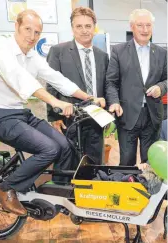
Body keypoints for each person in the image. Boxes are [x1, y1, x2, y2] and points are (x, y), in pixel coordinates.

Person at [0, 9, 104, 216]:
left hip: (19, 113)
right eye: (28, 29)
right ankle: (4, 188)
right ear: (16, 27)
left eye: (37, 32)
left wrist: (88, 98)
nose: (32, 36)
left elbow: (56, 78)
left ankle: (56, 195)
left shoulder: (31, 55)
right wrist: (56, 102)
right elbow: (19, 78)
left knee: (64, 145)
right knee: (48, 149)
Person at [47, 7, 108, 166]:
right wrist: (54, 117)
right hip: (69, 120)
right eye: (79, 26)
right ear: (72, 28)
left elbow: (106, 87)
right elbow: (51, 85)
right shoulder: (58, 51)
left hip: (95, 119)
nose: (84, 31)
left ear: (94, 27)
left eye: (88, 26)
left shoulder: (103, 56)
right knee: (67, 165)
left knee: (94, 165)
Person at [106, 9, 167, 166]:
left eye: (148, 25)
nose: (145, 30)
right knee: (126, 162)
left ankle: (151, 190)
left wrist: (161, 87)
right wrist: (114, 101)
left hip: (152, 116)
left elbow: (167, 80)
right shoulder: (118, 51)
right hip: (127, 115)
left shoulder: (162, 53)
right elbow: (111, 81)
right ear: (132, 26)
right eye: (140, 25)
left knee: (151, 162)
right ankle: (127, 189)